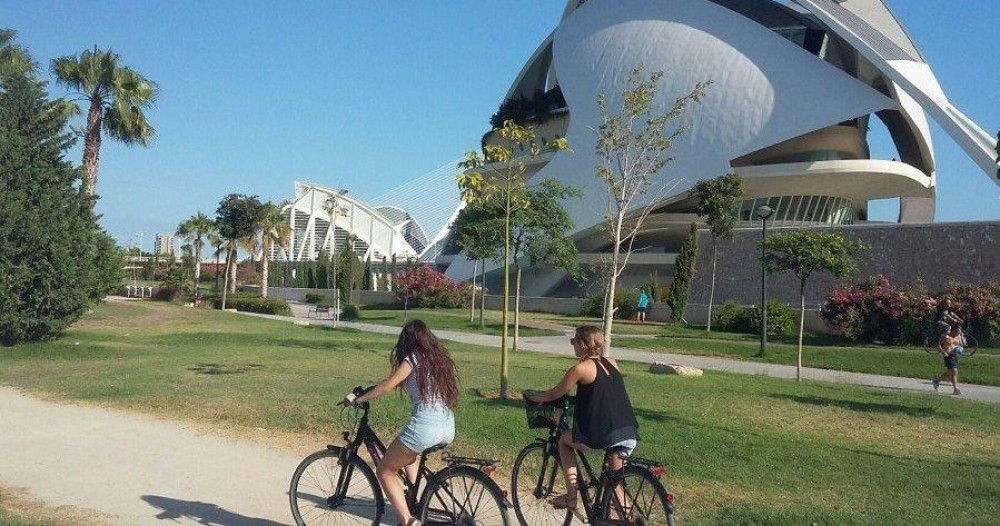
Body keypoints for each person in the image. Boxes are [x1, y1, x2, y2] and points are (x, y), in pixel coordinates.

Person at [347, 320, 459, 526]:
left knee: (384, 471)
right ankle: (415, 504)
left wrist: (360, 399)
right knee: (409, 455)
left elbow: (388, 386)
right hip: (447, 425)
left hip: (425, 427)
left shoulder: (413, 359)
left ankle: (408, 521)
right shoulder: (438, 359)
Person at [526, 326, 639, 510]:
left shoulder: (580, 368)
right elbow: (602, 393)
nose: (573, 345)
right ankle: (631, 520)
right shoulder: (612, 362)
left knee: (563, 441)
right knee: (613, 483)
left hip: (605, 434)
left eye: (574, 341)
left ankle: (571, 497)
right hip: (628, 430)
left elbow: (555, 393)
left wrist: (536, 398)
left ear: (583, 344)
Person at [932, 324, 965, 396]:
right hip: (947, 355)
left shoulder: (959, 336)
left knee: (951, 372)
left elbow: (963, 344)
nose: (958, 334)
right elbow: (938, 345)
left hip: (955, 356)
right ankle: (956, 389)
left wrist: (962, 338)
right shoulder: (945, 336)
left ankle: (937, 380)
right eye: (957, 332)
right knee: (954, 371)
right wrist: (943, 352)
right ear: (953, 331)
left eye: (959, 332)